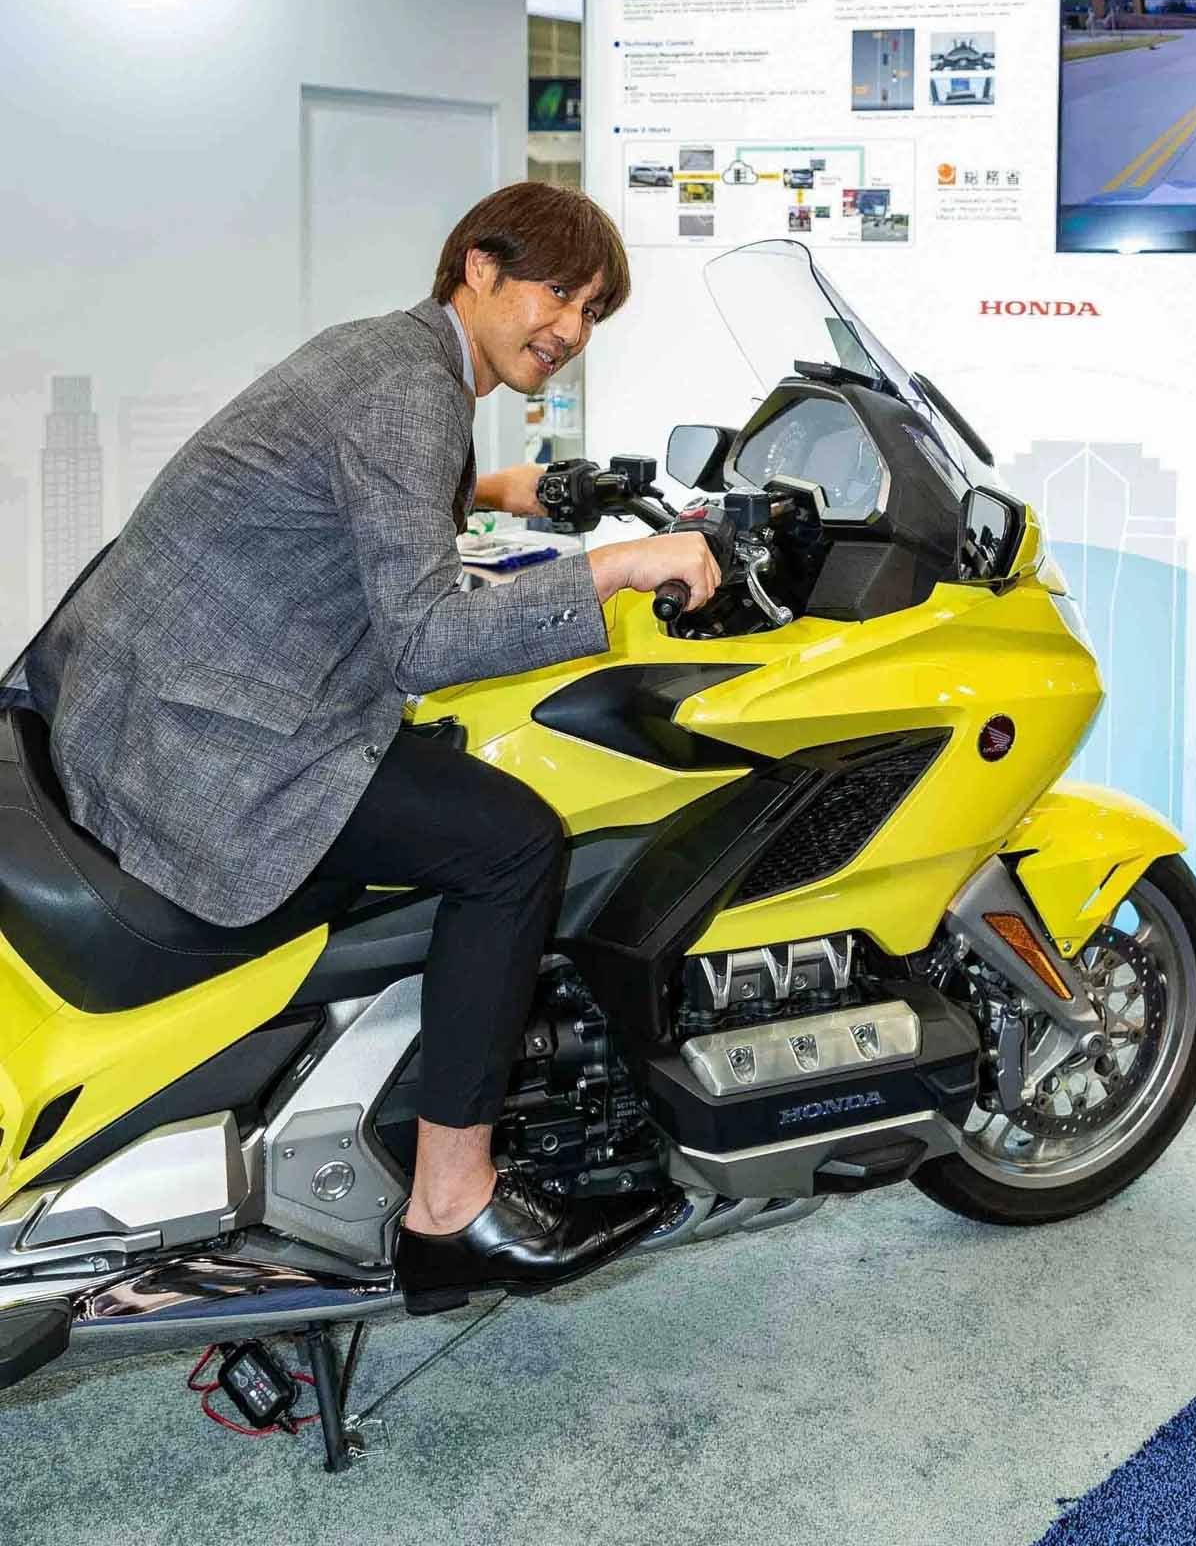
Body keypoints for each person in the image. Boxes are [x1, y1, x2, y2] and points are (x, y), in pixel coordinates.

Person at [5, 182, 721, 1309]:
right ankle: (453, 1197)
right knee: (512, 842)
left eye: (594, 312)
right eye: (558, 293)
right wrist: (619, 567)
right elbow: (431, 635)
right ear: (478, 268)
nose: (573, 331)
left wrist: (499, 493)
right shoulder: (409, 391)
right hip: (206, 744)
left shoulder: (391, 356)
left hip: (129, 693)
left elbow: (332, 497)